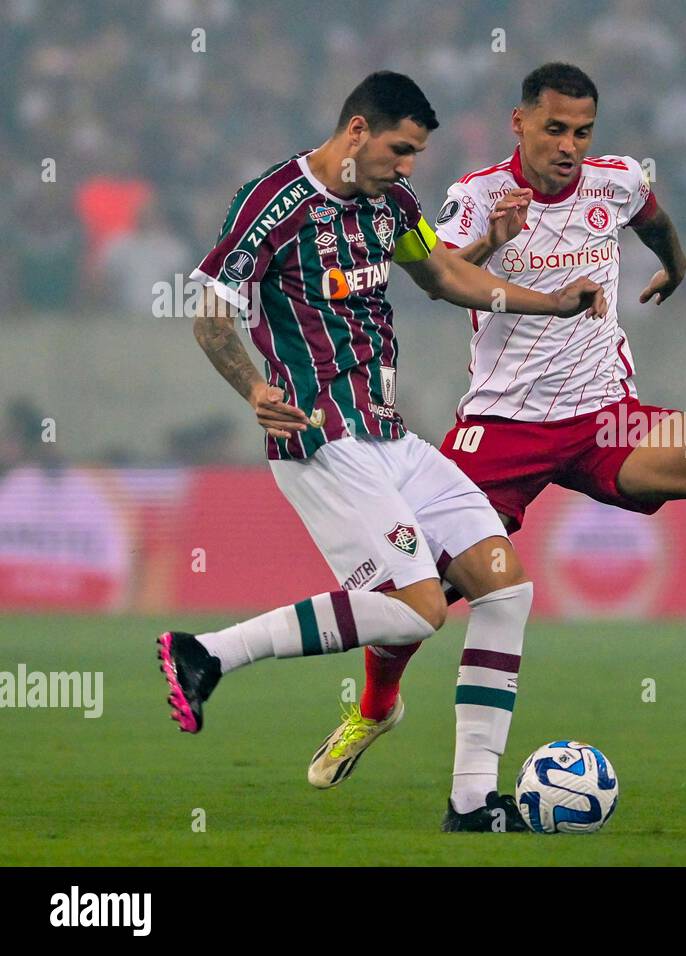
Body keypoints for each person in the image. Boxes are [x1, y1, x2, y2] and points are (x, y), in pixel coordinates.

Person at [311, 64, 686, 809]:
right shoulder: (480, 195)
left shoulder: (615, 181)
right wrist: (492, 240)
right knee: (426, 587)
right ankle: (375, 707)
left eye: (582, 132)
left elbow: (653, 218)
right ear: (520, 123)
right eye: (554, 129)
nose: (570, 146)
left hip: (603, 420)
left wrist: (675, 267)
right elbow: (438, 273)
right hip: (502, 428)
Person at [161, 71, 606, 832]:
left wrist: (551, 301)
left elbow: (440, 274)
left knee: (505, 588)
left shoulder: (393, 205)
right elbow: (209, 316)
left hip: (391, 436)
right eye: (401, 149)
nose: (408, 168)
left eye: (418, 155)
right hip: (318, 439)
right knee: (419, 610)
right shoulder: (273, 202)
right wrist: (251, 390)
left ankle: (471, 803)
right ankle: (204, 652)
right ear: (358, 130)